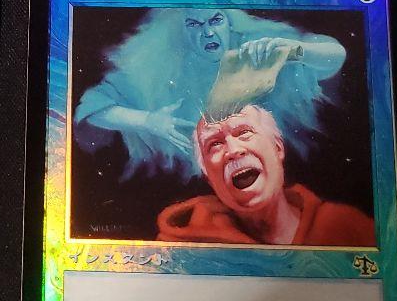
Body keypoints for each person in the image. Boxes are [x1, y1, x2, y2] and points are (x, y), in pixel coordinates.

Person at [74, 6, 345, 181]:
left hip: (272, 173)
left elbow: (336, 55)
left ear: (229, 22)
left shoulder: (256, 46)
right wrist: (147, 121)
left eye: (215, 20)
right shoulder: (159, 64)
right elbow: (91, 107)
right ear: (179, 31)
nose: (208, 32)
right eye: (194, 24)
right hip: (190, 184)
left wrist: (295, 50)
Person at [157, 104, 374, 246]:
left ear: (278, 148)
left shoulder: (346, 227)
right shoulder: (182, 246)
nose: (233, 151)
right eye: (215, 144)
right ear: (208, 178)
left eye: (244, 132)